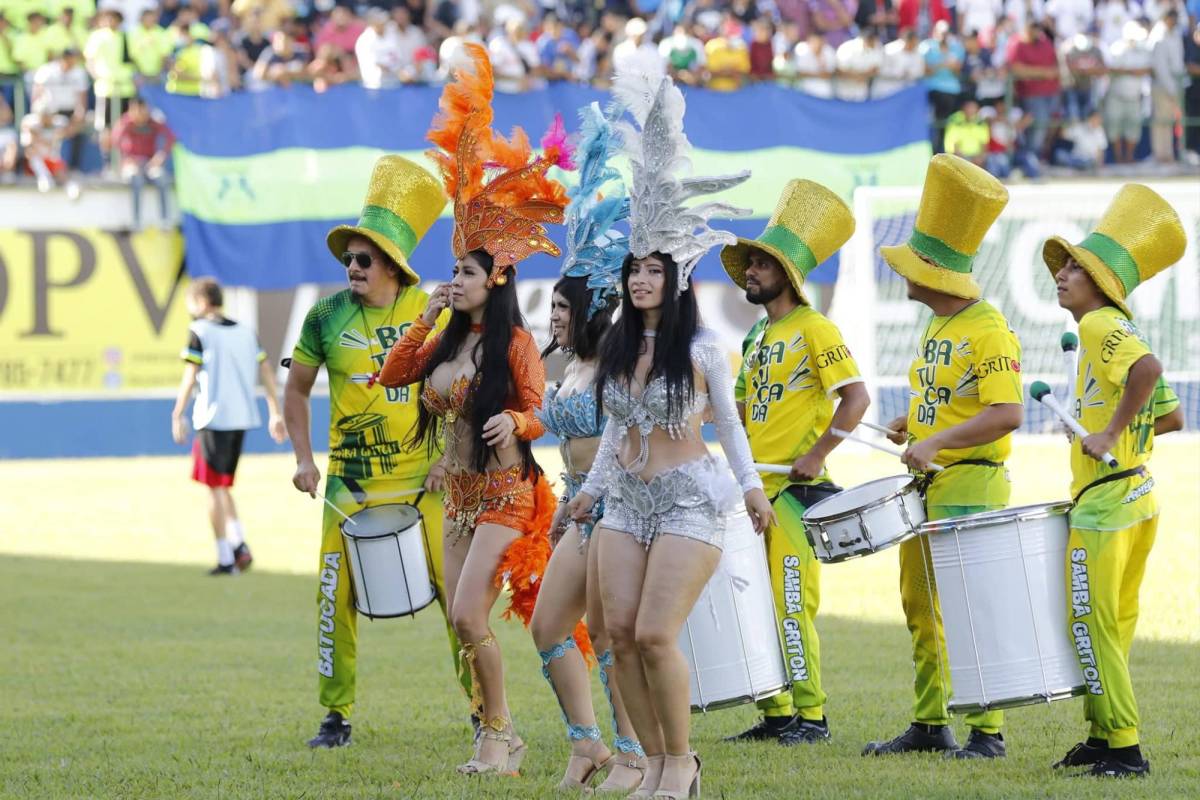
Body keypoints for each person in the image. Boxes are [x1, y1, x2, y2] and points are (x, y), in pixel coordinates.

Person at [565, 61, 776, 799]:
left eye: (653, 272)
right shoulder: (620, 350)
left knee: (656, 635)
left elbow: (731, 430)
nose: (640, 282)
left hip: (689, 499)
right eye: (634, 273)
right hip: (623, 502)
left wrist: (750, 490)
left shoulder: (703, 350)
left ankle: (682, 761)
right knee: (615, 635)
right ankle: (650, 762)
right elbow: (615, 436)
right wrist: (588, 496)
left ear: (673, 280)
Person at [378, 43, 565, 775]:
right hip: (455, 496)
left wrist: (514, 423)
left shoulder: (515, 342)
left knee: (465, 615)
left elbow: (541, 412)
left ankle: (503, 734)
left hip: (506, 496)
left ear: (497, 278)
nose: (454, 278)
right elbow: (396, 376)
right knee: (462, 628)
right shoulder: (445, 339)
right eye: (453, 267)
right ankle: (496, 734)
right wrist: (425, 315)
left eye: (466, 270)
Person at [283, 155, 467, 749]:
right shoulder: (324, 315)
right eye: (348, 259)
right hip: (349, 487)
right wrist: (304, 460)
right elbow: (295, 389)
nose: (352, 268)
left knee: (457, 598)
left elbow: (461, 388)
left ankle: (484, 710)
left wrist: (450, 456)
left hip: (427, 481)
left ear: (392, 265)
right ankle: (335, 716)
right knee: (333, 597)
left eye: (363, 259)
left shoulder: (430, 314)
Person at [866, 154, 1023, 760]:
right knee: (921, 608)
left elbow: (1007, 412)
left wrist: (933, 441)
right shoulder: (938, 325)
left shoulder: (989, 330)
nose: (902, 273)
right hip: (930, 486)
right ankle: (931, 723)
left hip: (971, 485)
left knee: (970, 610)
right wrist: (918, 423)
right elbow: (956, 399)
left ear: (936, 275)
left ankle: (989, 732)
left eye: (911, 265)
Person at [1041, 184, 1186, 778]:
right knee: (1112, 626)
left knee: (1087, 622)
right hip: (1139, 495)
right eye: (1065, 264)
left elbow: (1148, 373)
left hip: (1104, 507)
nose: (1063, 273)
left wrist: (1106, 435)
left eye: (1076, 267)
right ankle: (1102, 736)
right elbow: (1173, 414)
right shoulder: (1114, 329)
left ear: (1102, 284)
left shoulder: (1101, 324)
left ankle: (1124, 748)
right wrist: (1111, 429)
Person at [719, 179, 869, 745]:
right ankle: (777, 712)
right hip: (754, 490)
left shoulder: (815, 327)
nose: (751, 271)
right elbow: (736, 407)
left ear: (787, 274)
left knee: (789, 606)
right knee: (755, 603)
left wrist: (817, 452)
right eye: (751, 262)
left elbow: (856, 398)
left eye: (762, 263)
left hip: (794, 494)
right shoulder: (759, 334)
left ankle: (812, 717)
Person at [527, 101, 647, 794]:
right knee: (549, 627)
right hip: (576, 507)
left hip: (619, 507)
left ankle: (635, 757)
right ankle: (587, 744)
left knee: (610, 638)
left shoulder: (617, 363)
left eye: (565, 312)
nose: (555, 321)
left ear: (593, 311)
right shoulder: (566, 364)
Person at [171, 277, 286, 575]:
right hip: (242, 418)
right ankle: (238, 543)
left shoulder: (199, 331)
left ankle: (227, 556)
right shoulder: (246, 331)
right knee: (223, 485)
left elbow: (189, 375)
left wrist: (177, 413)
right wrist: (275, 411)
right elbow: (267, 371)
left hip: (214, 417)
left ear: (200, 301)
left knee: (214, 488)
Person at [111, 96, 175, 230]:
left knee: (161, 178)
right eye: (138, 111)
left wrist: (160, 156)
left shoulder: (154, 122)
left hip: (149, 162)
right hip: (132, 163)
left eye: (144, 111)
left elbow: (170, 137)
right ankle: (136, 220)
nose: (141, 116)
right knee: (136, 179)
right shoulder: (125, 123)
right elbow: (115, 141)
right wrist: (125, 159)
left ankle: (165, 220)